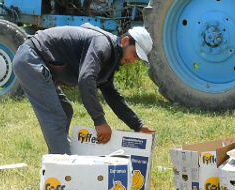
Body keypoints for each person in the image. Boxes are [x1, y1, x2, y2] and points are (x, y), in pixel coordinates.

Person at [12, 24, 155, 154]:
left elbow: (112, 95)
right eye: (134, 54)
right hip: (31, 59)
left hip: (37, 61)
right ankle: (64, 170)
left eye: (137, 59)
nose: (133, 61)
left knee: (65, 109)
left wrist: (138, 125)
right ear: (125, 42)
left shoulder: (111, 57)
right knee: (55, 117)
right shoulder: (102, 45)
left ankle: (57, 160)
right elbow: (86, 79)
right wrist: (99, 121)